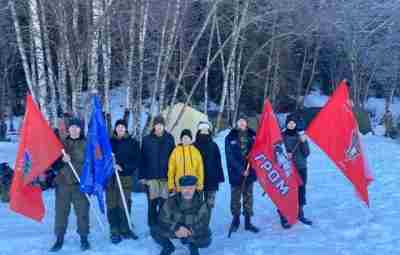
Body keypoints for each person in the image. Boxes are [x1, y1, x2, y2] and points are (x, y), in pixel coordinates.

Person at [50, 118, 90, 252]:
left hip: (81, 185)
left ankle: (84, 238)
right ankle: (59, 239)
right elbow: (53, 165)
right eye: (72, 127)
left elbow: (92, 164)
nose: (74, 129)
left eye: (77, 127)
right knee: (61, 213)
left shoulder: (87, 144)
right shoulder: (60, 144)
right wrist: (62, 160)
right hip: (63, 185)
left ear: (80, 129)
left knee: (83, 213)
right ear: (68, 129)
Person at [151, 175, 212, 255]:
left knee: (206, 237)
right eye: (184, 188)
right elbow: (162, 218)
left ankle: (193, 246)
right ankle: (168, 247)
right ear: (180, 188)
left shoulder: (202, 204)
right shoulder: (171, 201)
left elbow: (204, 223)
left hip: (191, 232)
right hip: (175, 230)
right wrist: (176, 228)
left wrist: (189, 231)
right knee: (154, 229)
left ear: (195, 188)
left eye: (191, 188)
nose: (188, 191)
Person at [106, 119, 140, 244]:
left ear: (125, 129)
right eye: (118, 127)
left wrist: (123, 167)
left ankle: (125, 229)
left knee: (124, 203)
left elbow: (136, 160)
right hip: (110, 179)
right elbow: (102, 159)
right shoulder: (108, 142)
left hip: (125, 178)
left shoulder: (132, 143)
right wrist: (110, 166)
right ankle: (114, 230)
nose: (120, 129)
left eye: (122, 127)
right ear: (115, 128)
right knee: (112, 204)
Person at [225, 117, 259, 234]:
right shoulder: (230, 137)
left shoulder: (253, 135)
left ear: (247, 123)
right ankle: (236, 220)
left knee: (248, 197)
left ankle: (248, 222)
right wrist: (241, 170)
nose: (242, 124)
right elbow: (230, 156)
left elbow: (259, 151)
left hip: (250, 171)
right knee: (235, 198)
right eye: (239, 122)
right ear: (236, 124)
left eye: (244, 122)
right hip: (235, 172)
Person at [140, 115, 175, 227]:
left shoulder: (170, 138)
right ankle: (152, 225)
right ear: (154, 126)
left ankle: (163, 224)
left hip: (165, 177)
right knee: (152, 203)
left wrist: (173, 176)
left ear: (164, 126)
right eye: (157, 125)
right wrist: (142, 176)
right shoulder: (146, 139)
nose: (159, 127)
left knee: (164, 203)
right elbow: (142, 159)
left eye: (161, 125)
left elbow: (173, 158)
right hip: (151, 178)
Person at [280, 114, 312, 229]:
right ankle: (283, 214)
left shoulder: (301, 136)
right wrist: (285, 153)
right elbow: (276, 150)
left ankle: (300, 213)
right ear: (286, 124)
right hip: (286, 168)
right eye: (289, 123)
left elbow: (306, 153)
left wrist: (303, 142)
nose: (291, 124)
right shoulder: (281, 136)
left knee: (301, 190)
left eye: (293, 123)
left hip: (301, 167)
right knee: (286, 191)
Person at [193, 121, 224, 215]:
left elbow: (218, 162)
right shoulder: (193, 146)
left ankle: (205, 225)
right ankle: (197, 225)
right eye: (202, 129)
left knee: (209, 204)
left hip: (211, 179)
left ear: (209, 131)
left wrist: (220, 177)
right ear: (198, 130)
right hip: (197, 180)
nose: (204, 131)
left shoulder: (214, 145)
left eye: (206, 129)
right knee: (196, 204)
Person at [168, 129, 204, 194]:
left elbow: (200, 170)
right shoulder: (175, 151)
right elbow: (171, 170)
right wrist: (171, 185)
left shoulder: (196, 152)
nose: (186, 140)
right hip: (179, 187)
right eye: (184, 138)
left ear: (191, 139)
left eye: (187, 138)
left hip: (192, 187)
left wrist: (200, 185)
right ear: (181, 139)